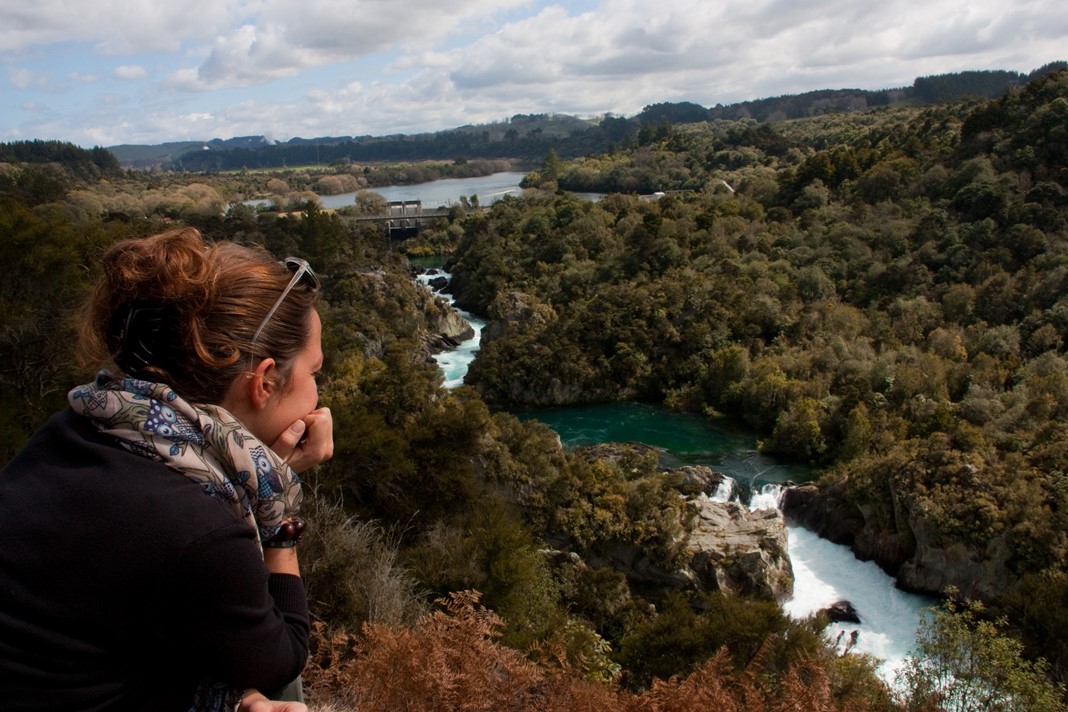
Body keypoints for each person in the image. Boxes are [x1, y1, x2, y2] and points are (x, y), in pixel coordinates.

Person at [0, 227, 333, 712]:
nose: (317, 393)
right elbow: (281, 659)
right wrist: (278, 514)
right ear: (263, 382)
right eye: (315, 372)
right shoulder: (199, 528)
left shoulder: (73, 431)